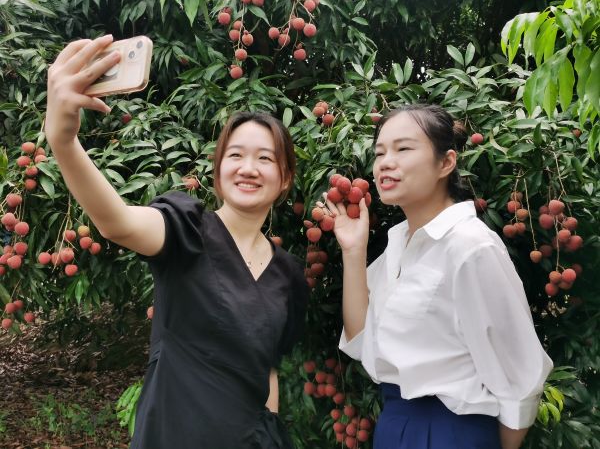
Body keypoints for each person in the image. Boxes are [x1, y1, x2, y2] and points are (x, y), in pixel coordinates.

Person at [45, 35, 308, 448]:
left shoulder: (288, 273)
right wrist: (63, 141)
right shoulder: (188, 228)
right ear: (218, 169)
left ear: (285, 177)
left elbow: (268, 365)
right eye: (235, 155)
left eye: (265, 158)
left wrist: (271, 427)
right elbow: (118, 222)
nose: (248, 168)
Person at [327, 104, 553, 449]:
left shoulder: (470, 246)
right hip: (395, 427)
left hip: (451, 432)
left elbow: (521, 379)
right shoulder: (400, 245)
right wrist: (353, 251)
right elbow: (360, 339)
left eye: (403, 149)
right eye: (380, 152)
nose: (385, 162)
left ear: (446, 163)